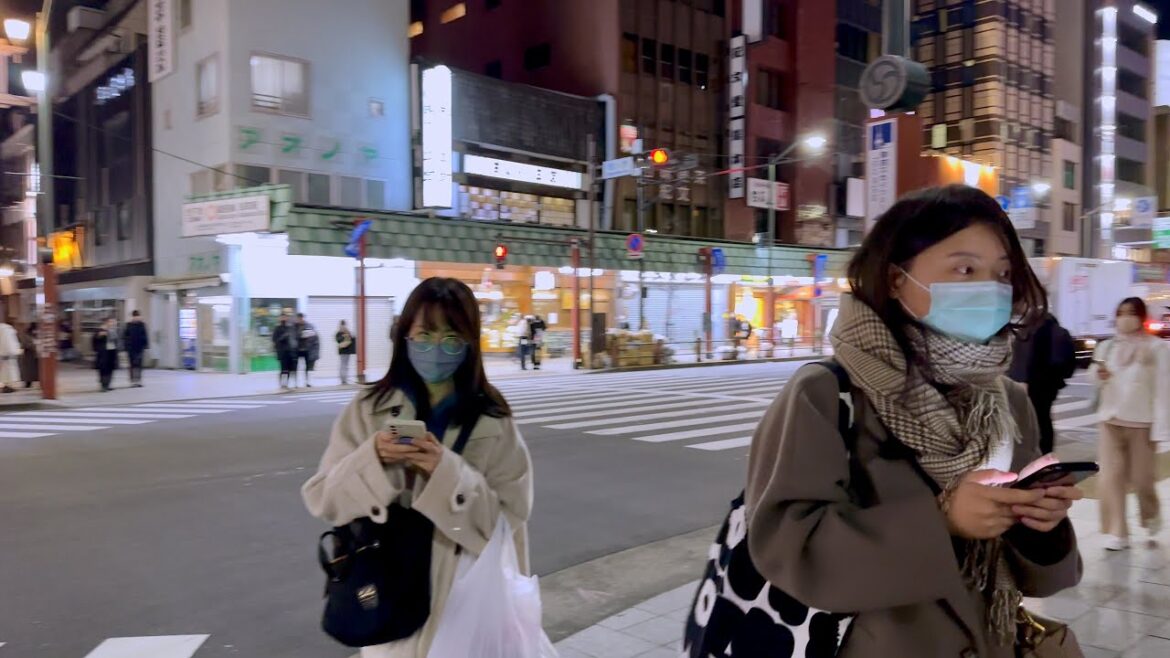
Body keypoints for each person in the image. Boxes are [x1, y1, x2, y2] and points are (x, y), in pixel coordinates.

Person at [745, 185, 1083, 657]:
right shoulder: (826, 394)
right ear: (896, 279)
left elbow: (1032, 575)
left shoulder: (1008, 401)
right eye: (964, 269)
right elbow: (787, 545)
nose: (990, 287)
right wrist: (943, 522)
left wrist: (1037, 522)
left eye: (1003, 273)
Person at [302, 277, 533, 658]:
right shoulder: (369, 409)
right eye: (425, 334)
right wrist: (372, 460)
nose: (436, 349)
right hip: (388, 605)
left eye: (451, 338)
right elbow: (323, 499)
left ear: (469, 343)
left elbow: (510, 520)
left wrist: (448, 475)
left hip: (464, 606)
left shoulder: (493, 420)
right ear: (405, 335)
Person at [1091, 297, 1168, 551]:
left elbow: (1164, 389)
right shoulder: (1107, 346)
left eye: (1131, 313)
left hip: (1142, 423)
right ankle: (1118, 532)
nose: (1125, 318)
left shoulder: (1157, 348)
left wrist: (1162, 430)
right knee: (1110, 477)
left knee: (1142, 478)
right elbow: (1095, 377)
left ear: (1141, 316)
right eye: (1121, 313)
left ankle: (1151, 515)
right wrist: (1099, 375)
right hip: (1110, 419)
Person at [1008, 312, 1077, 454]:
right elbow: (1069, 365)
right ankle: (1045, 452)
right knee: (1044, 418)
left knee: (1027, 420)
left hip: (1025, 384)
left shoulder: (1023, 333)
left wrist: (1019, 380)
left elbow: (1015, 361)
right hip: (1048, 386)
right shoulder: (1060, 333)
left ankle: (1030, 451)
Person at [122, 310, 149, 388]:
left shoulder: (142, 325)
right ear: (133, 317)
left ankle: (139, 380)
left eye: (138, 316)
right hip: (131, 348)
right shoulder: (128, 325)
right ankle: (132, 381)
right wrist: (126, 347)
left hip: (140, 348)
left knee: (139, 365)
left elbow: (145, 335)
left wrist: (146, 346)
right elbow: (125, 337)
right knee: (132, 365)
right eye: (136, 316)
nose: (137, 318)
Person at [92, 317, 119, 392]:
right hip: (103, 353)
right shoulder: (100, 330)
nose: (113, 323)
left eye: (114, 322)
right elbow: (95, 340)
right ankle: (103, 385)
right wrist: (101, 335)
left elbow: (117, 341)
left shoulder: (114, 331)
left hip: (112, 352)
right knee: (103, 369)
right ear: (107, 322)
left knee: (110, 368)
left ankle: (108, 384)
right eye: (111, 322)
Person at [272, 314, 297, 390]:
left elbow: (294, 338)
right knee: (283, 369)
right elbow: (274, 340)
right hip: (282, 352)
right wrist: (283, 337)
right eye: (282, 317)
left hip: (290, 352)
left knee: (289, 369)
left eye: (285, 317)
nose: (284, 318)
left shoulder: (289, 328)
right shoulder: (277, 328)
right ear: (280, 319)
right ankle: (281, 384)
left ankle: (286, 383)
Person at [295, 313, 320, 387]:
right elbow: (293, 337)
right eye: (298, 319)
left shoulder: (309, 326)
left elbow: (315, 338)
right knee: (295, 366)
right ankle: (295, 382)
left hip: (307, 350)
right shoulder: (294, 327)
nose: (300, 320)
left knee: (308, 367)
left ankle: (307, 382)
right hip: (297, 350)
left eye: (301, 318)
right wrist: (299, 335)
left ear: (303, 318)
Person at [0, 319, 21, 393]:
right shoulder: (9, 330)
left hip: (3, 354)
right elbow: (12, 343)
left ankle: (6, 386)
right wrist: (16, 350)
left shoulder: (4, 329)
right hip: (10, 354)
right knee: (10, 372)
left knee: (4, 372)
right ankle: (9, 386)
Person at [336, 320, 357, 385]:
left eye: (344, 325)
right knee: (343, 365)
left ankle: (344, 379)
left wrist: (349, 335)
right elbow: (338, 340)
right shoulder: (339, 333)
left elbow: (353, 340)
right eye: (343, 325)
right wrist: (345, 335)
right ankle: (343, 379)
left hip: (347, 351)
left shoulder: (347, 332)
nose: (343, 326)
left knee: (345, 365)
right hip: (343, 351)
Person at [19, 322, 38, 389]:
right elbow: (25, 345)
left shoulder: (31, 335)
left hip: (33, 355)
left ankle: (29, 382)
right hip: (28, 355)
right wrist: (34, 346)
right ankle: (28, 383)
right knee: (28, 370)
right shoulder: (26, 336)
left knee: (32, 370)